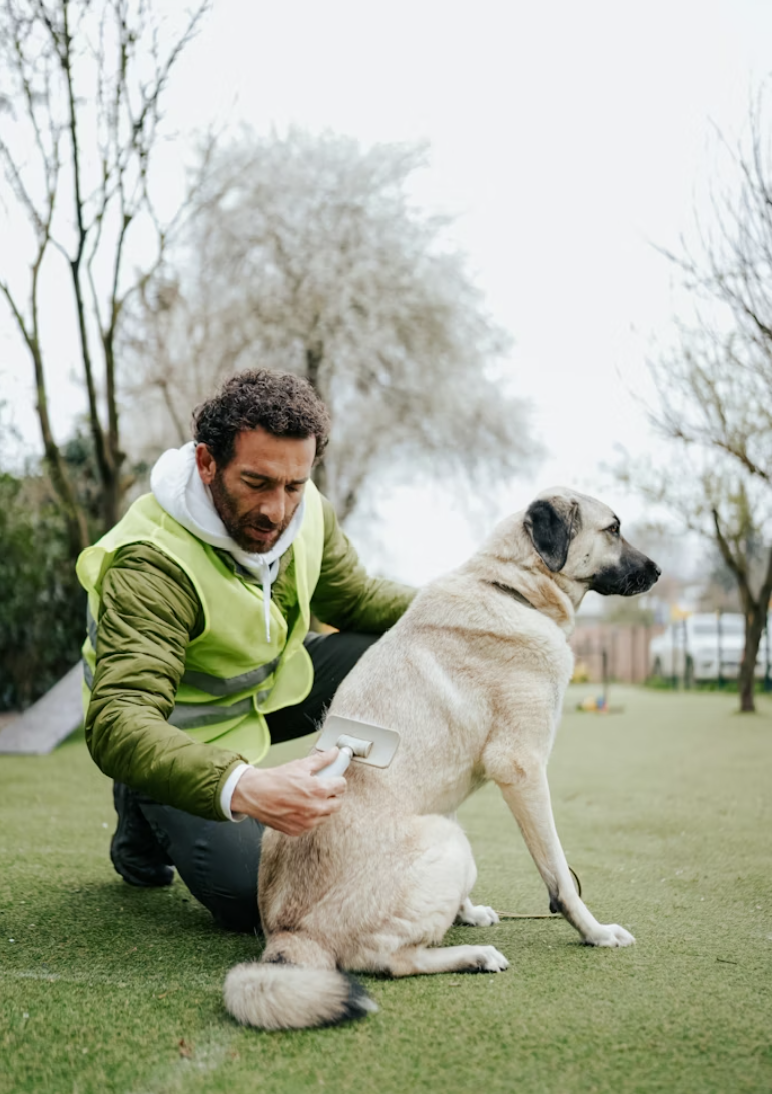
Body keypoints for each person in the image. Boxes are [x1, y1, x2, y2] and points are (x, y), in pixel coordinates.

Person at [76, 369, 415, 933]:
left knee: (391, 648)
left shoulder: (307, 511)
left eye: (293, 486)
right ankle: (141, 804)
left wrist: (469, 605)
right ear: (208, 463)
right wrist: (247, 786)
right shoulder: (152, 560)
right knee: (253, 893)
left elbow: (356, 601)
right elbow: (121, 718)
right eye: (256, 483)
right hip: (174, 730)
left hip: (262, 697)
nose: (276, 511)